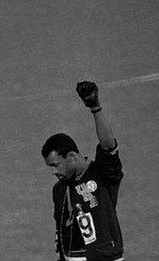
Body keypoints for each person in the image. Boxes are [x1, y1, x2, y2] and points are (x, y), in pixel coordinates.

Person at [41, 81, 125, 261]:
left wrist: (95, 108)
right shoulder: (59, 190)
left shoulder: (101, 173)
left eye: (55, 164)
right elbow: (61, 234)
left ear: (71, 156)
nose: (54, 172)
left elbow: (109, 145)